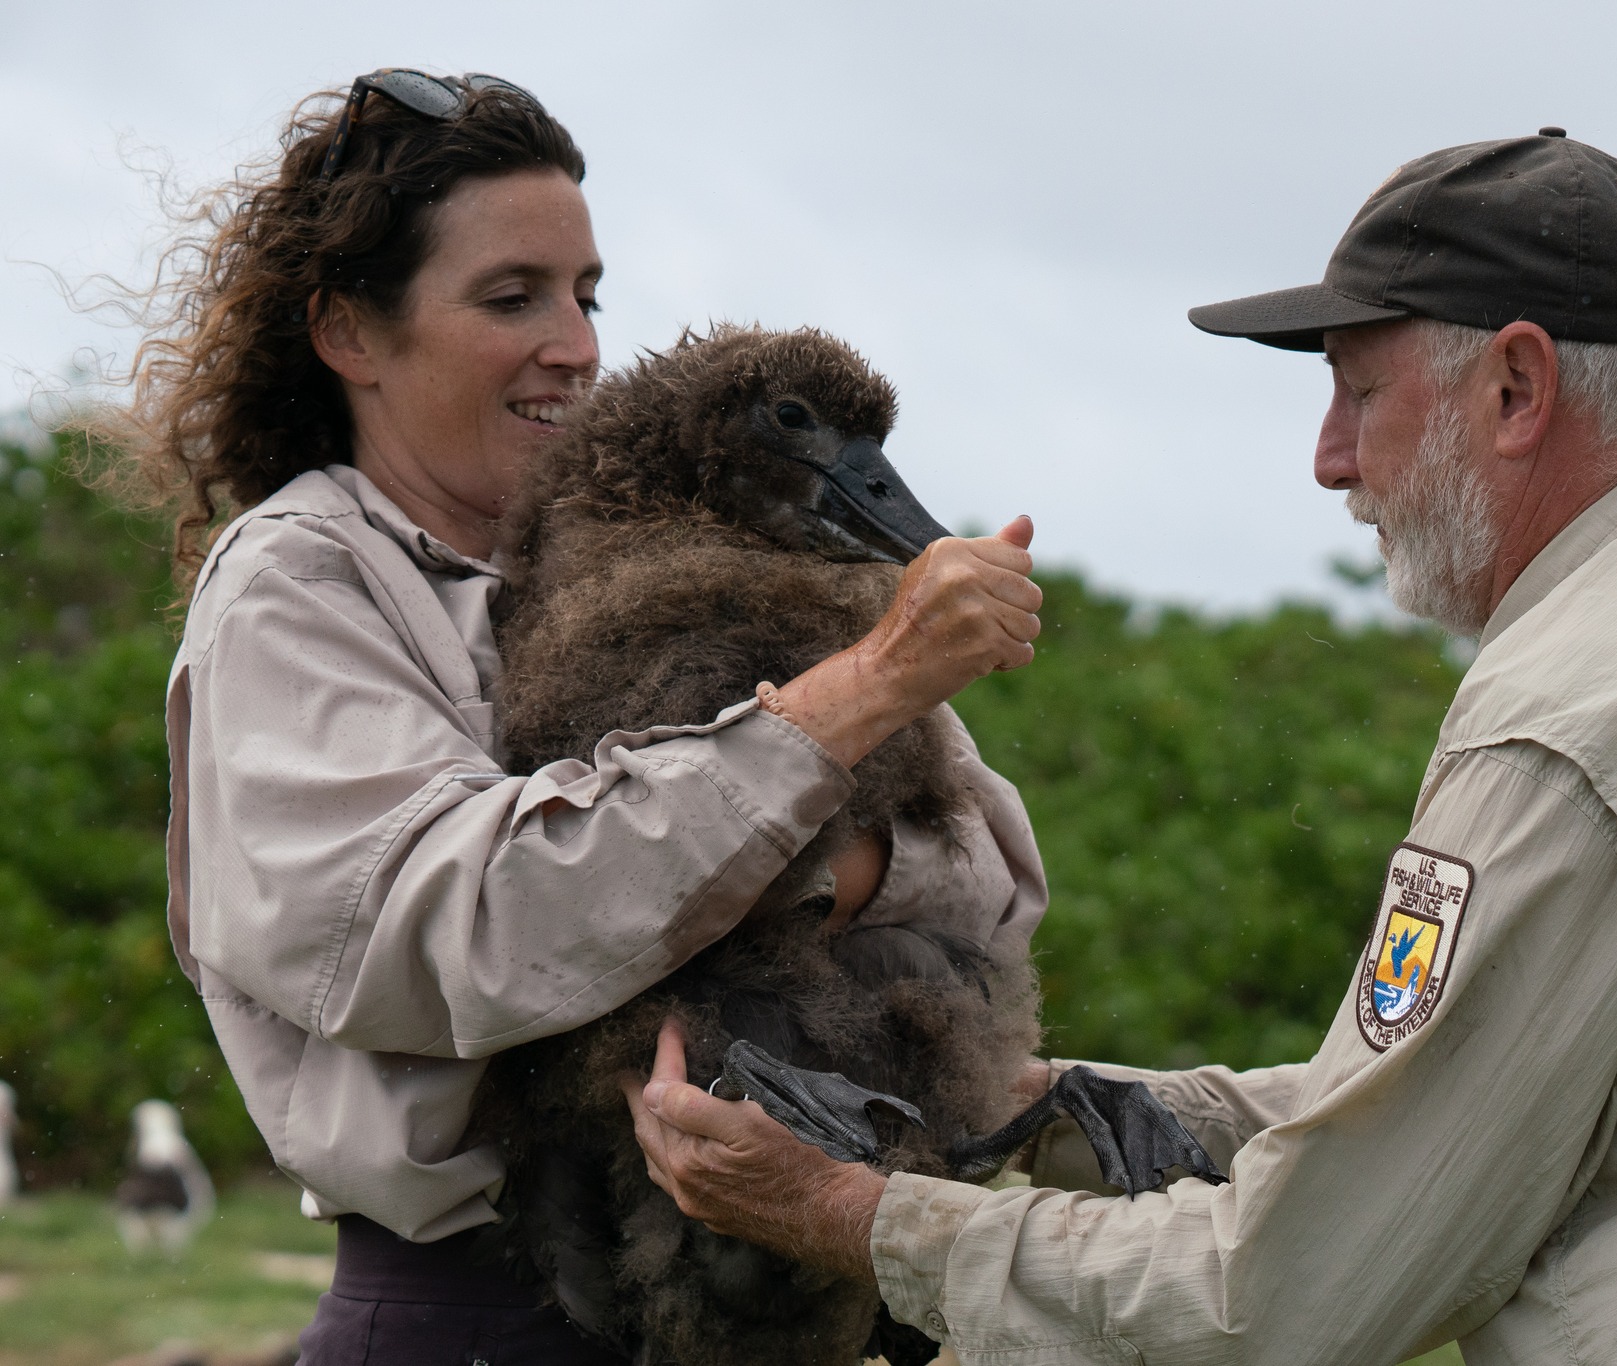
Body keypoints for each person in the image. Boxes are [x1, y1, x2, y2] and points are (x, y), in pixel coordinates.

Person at [628, 129, 1617, 1364]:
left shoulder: (1576, 728)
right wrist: (1047, 1108)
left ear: (1516, 389)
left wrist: (851, 1217)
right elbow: (1459, 1097)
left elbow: (1295, 1297)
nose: (1327, 457)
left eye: (1359, 390)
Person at [118, 70, 1046, 1362]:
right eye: (513, 297)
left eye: (586, 294)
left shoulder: (696, 546)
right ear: (349, 334)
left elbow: (997, 881)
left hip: (786, 1282)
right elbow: (453, 935)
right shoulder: (305, 579)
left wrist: (800, 858)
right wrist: (862, 698)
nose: (577, 343)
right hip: (488, 1309)